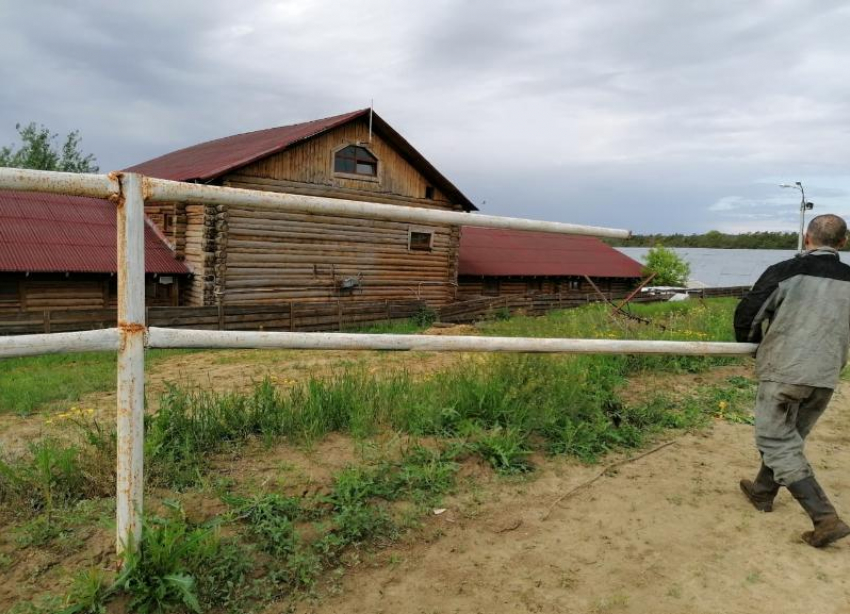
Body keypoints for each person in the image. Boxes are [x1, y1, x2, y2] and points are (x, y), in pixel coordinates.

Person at [734, 213, 850, 548]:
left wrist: (751, 346)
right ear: (843, 243)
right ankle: (762, 491)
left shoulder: (784, 272)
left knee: (775, 439)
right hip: (826, 374)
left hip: (787, 369)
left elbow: (749, 313)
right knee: (791, 436)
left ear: (806, 238)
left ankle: (824, 518)